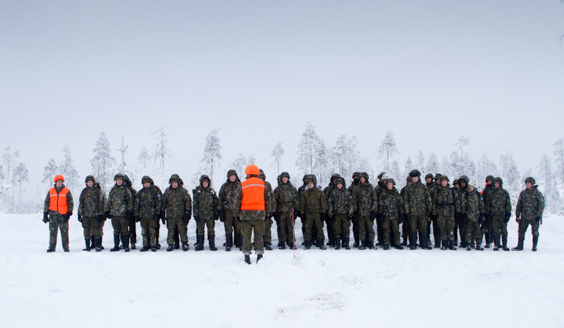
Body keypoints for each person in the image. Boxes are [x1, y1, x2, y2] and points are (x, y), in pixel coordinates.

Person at [237, 164, 271, 264]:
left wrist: (236, 214)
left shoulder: (242, 184)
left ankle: (247, 257)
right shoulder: (263, 184)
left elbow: (237, 201)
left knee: (246, 236)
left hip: (245, 215)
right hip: (259, 214)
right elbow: (268, 200)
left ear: (247, 173)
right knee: (259, 235)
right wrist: (267, 213)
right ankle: (259, 256)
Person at [43, 175, 74, 252]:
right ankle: (51, 247)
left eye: (61, 181)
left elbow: (70, 202)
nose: (59, 183)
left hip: (63, 215)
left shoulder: (66, 191)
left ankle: (66, 247)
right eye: (58, 181)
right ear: (55, 182)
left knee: (64, 232)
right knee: (53, 232)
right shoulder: (51, 191)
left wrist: (69, 213)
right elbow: (47, 202)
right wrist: (45, 213)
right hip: (53, 215)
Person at [513, 177, 545, 252]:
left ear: (532, 184)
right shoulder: (523, 193)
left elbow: (541, 206)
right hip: (524, 216)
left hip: (534, 217)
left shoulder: (538, 193)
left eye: (528, 183)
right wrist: (517, 214)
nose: (527, 185)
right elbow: (519, 204)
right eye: (526, 183)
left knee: (535, 231)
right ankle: (520, 246)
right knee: (521, 231)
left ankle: (534, 246)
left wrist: (539, 216)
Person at [404, 170, 432, 250]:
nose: (414, 179)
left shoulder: (423, 187)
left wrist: (428, 210)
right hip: (412, 213)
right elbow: (406, 200)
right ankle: (413, 244)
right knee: (413, 229)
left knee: (423, 228)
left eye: (415, 177)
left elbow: (428, 199)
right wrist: (407, 211)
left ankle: (423, 243)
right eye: (413, 177)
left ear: (418, 177)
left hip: (422, 212)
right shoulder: (409, 188)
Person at [162, 174, 192, 251]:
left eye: (175, 182)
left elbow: (188, 202)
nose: (174, 184)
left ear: (178, 183)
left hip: (181, 215)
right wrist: (162, 213)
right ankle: (171, 244)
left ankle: (184, 243)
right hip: (171, 215)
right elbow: (163, 202)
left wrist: (187, 213)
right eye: (173, 183)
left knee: (182, 230)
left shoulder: (183, 191)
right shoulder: (167, 192)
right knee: (171, 230)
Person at [105, 173, 133, 252]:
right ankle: (116, 246)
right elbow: (109, 201)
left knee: (125, 230)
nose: (119, 182)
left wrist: (129, 211)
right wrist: (107, 210)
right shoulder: (113, 190)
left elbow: (130, 201)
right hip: (114, 214)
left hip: (123, 214)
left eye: (120, 180)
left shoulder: (126, 190)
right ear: (116, 181)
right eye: (118, 180)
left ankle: (126, 246)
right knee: (116, 230)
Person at [300, 175, 328, 250]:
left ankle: (321, 243)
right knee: (307, 229)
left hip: (317, 214)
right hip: (308, 214)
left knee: (319, 229)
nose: (310, 184)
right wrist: (302, 213)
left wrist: (323, 213)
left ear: (314, 183)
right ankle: (307, 244)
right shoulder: (305, 193)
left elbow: (323, 203)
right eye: (308, 183)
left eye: (311, 183)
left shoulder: (319, 192)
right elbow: (302, 204)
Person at [134, 176, 162, 252]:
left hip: (152, 215)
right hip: (143, 215)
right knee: (144, 231)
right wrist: (136, 215)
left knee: (152, 231)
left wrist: (157, 213)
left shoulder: (154, 192)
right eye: (145, 183)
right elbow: (136, 204)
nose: (146, 184)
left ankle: (153, 245)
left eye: (147, 183)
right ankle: (145, 245)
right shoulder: (140, 193)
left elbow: (158, 203)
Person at [272, 172, 299, 249]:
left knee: (291, 227)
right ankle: (282, 242)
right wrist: (274, 212)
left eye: (286, 178)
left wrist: (297, 210)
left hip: (290, 210)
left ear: (288, 179)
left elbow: (296, 199)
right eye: (283, 178)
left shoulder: (292, 188)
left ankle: (291, 242)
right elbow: (274, 201)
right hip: (281, 211)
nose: (285, 179)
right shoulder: (278, 189)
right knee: (281, 227)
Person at [77, 175, 104, 252]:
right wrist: (79, 214)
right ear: (86, 183)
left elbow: (100, 203)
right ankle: (87, 246)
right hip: (86, 215)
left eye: (91, 182)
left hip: (95, 215)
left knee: (97, 230)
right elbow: (81, 203)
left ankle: (98, 245)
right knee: (86, 230)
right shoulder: (84, 192)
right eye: (89, 182)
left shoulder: (97, 191)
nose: (90, 183)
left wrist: (100, 214)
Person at [352, 172, 377, 250]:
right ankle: (363, 243)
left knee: (370, 228)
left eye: (363, 178)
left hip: (369, 212)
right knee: (361, 228)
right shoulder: (357, 188)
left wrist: (374, 211)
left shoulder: (370, 188)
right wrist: (355, 212)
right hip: (360, 212)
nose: (362, 180)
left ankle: (371, 243)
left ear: (366, 178)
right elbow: (354, 200)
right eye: (361, 178)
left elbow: (375, 200)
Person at [193, 175, 219, 251]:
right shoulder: (197, 192)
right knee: (200, 230)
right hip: (200, 216)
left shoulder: (211, 192)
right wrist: (195, 214)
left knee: (211, 230)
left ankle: (212, 245)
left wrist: (216, 213)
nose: (205, 184)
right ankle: (200, 245)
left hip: (210, 216)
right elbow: (195, 204)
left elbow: (215, 203)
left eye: (206, 182)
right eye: (203, 182)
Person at [219, 170, 243, 251]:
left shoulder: (240, 186)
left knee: (239, 227)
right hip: (227, 211)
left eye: (234, 176)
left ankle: (239, 243)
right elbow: (220, 199)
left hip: (238, 211)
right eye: (231, 176)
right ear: (228, 177)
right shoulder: (224, 186)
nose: (232, 178)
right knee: (228, 227)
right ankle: (229, 243)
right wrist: (221, 211)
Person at [327, 177, 354, 250]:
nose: (339, 186)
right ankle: (337, 244)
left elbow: (351, 203)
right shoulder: (333, 193)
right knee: (337, 229)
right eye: (338, 184)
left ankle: (346, 244)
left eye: (340, 184)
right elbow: (330, 203)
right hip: (336, 214)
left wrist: (350, 213)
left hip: (345, 214)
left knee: (346, 229)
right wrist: (330, 213)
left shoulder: (347, 192)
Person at [485, 177, 511, 251]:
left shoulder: (504, 193)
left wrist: (508, 213)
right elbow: (488, 204)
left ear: (500, 184)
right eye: (495, 183)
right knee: (495, 230)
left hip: (503, 215)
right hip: (494, 215)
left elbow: (508, 204)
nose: (496, 185)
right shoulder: (490, 193)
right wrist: (488, 214)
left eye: (497, 183)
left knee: (504, 230)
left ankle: (504, 245)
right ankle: (496, 245)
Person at [377, 178, 404, 250]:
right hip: (386, 215)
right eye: (388, 184)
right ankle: (386, 243)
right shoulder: (383, 194)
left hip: (395, 215)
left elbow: (400, 204)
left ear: (393, 185)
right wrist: (380, 214)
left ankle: (397, 243)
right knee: (386, 230)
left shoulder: (396, 193)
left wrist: (401, 214)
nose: (389, 186)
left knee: (396, 230)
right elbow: (380, 204)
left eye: (390, 184)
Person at [433, 176, 456, 250]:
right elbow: (434, 202)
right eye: (443, 181)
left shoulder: (451, 191)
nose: (444, 183)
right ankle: (444, 244)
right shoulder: (438, 191)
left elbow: (456, 201)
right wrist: (434, 212)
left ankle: (451, 244)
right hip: (441, 212)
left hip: (450, 212)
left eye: (445, 181)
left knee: (450, 228)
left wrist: (457, 211)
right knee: (442, 228)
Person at [463, 181, 485, 251]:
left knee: (478, 231)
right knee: (468, 231)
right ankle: (469, 244)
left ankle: (478, 244)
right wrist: (464, 214)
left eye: (472, 186)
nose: (471, 188)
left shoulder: (478, 195)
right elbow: (463, 205)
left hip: (476, 216)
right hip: (468, 216)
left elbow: (481, 205)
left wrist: (481, 214)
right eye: (470, 186)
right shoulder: (466, 195)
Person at [259, 169, 276, 251]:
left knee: (267, 226)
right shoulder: (256, 186)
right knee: (258, 227)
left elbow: (272, 198)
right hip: (258, 210)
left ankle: (267, 242)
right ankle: (259, 242)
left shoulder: (267, 185)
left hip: (267, 209)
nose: (260, 180)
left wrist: (272, 210)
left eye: (261, 178)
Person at [323, 174, 342, 248]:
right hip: (329, 210)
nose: (335, 181)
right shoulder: (327, 189)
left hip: (339, 211)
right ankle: (331, 240)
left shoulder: (342, 189)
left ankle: (339, 241)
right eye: (334, 179)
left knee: (339, 227)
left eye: (337, 179)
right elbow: (324, 200)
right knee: (330, 226)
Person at [123, 175, 138, 249]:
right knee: (123, 229)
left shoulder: (132, 191)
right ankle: (124, 243)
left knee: (132, 228)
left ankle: (133, 242)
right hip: (122, 213)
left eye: (125, 181)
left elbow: (136, 201)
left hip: (131, 213)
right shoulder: (119, 191)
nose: (123, 183)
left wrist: (134, 212)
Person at [481, 175, 495, 248]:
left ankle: (493, 240)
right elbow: (482, 199)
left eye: (490, 181)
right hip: (487, 211)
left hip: (495, 211)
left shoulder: (495, 189)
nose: (489, 182)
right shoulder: (485, 190)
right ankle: (487, 242)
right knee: (486, 227)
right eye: (488, 181)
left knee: (494, 227)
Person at [349, 172, 361, 247]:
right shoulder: (351, 188)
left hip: (363, 210)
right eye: (355, 177)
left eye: (357, 177)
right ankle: (356, 241)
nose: (356, 178)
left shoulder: (362, 187)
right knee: (355, 227)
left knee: (364, 227)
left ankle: (365, 241)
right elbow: (349, 199)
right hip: (354, 210)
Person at [400, 176, 412, 246]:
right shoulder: (403, 190)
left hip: (413, 211)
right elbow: (401, 200)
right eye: (409, 182)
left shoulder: (414, 190)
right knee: (405, 227)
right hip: (405, 211)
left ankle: (412, 241)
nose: (410, 183)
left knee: (412, 227)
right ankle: (404, 240)